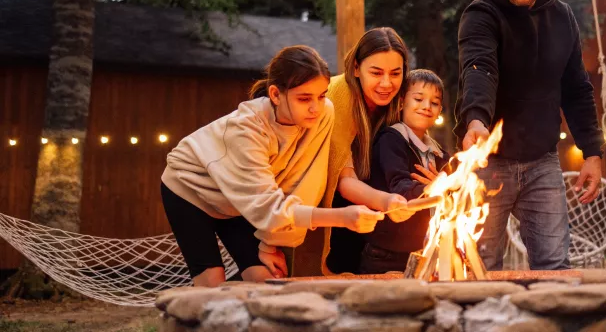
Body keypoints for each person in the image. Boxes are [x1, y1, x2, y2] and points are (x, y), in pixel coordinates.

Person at [160, 45, 384, 287]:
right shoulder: (246, 130)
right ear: (276, 94)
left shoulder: (322, 114)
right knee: (212, 284)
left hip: (242, 201)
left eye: (321, 95)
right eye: (304, 98)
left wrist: (270, 242)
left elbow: (303, 181)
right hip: (190, 191)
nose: (315, 107)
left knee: (267, 280)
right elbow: (269, 208)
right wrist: (341, 217)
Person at [454, 0, 604, 271]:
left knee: (554, 264)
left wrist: (593, 152)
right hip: (488, 161)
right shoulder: (481, 14)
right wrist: (475, 120)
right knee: (481, 264)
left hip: (542, 161)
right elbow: (479, 69)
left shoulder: (563, 17)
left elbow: (577, 89)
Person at [296, 27, 423, 276]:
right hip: (322, 203)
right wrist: (387, 202)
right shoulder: (336, 98)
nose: (386, 83)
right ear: (356, 68)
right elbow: (344, 181)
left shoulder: (396, 103)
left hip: (367, 211)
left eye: (395, 73)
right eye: (376, 72)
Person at [359, 69, 451, 274]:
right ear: (401, 102)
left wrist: (447, 188)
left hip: (424, 252)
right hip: (386, 254)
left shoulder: (441, 156)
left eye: (434, 103)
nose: (427, 107)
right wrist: (433, 188)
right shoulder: (391, 140)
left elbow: (459, 194)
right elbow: (400, 188)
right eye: (418, 99)